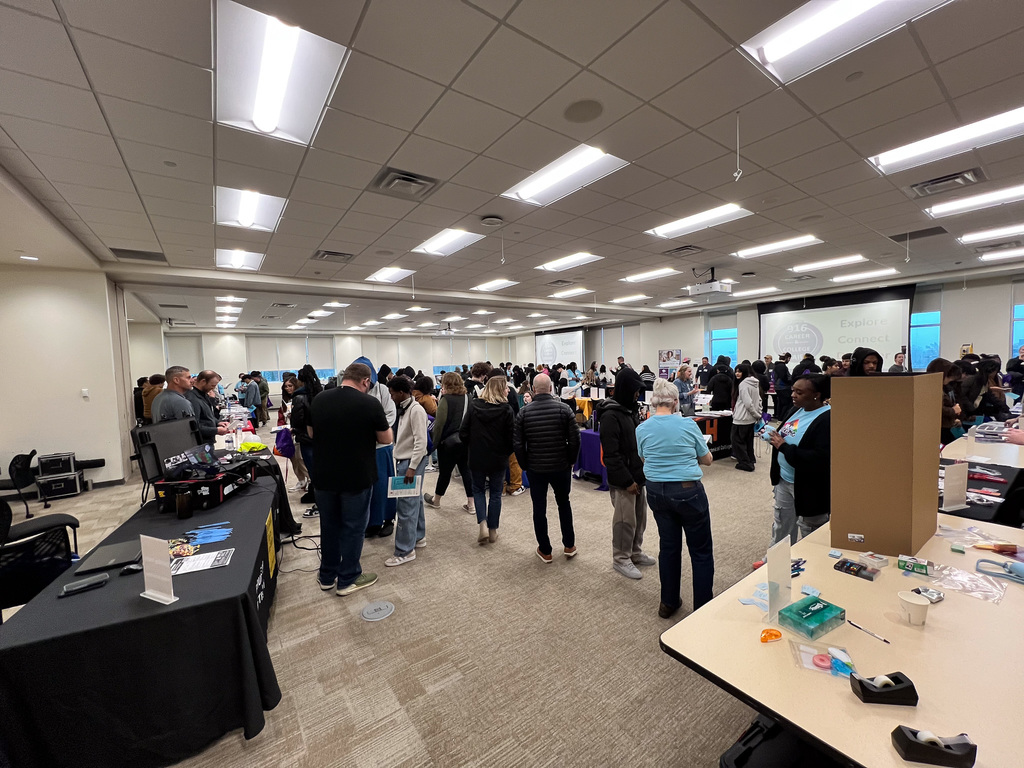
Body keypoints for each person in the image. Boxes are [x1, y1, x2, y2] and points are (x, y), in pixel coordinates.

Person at [310, 362, 392, 596]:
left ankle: (327, 575)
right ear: (366, 381)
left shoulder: (319, 399)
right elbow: (386, 439)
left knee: (329, 525)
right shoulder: (369, 403)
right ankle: (348, 578)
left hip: (324, 475)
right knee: (354, 527)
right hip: (357, 475)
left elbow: (311, 433)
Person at [637, 378, 714, 619]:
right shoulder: (688, 425)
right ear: (675, 401)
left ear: (652, 402)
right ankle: (702, 608)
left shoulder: (642, 428)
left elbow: (643, 459)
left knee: (668, 547)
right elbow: (707, 460)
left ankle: (668, 602)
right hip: (688, 491)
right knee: (700, 551)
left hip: (657, 492)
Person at [514, 373, 581, 564]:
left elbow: (518, 444)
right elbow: (575, 439)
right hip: (561, 466)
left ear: (533, 390)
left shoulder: (524, 413)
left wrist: (524, 465)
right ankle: (569, 545)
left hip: (535, 468)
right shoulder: (564, 409)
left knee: (539, 507)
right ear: (551, 388)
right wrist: (571, 460)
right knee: (564, 503)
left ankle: (545, 550)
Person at [597, 368, 655, 580]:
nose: (637, 395)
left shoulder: (630, 411)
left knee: (640, 518)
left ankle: (635, 552)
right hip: (623, 481)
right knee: (625, 521)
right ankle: (621, 558)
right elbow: (611, 456)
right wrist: (627, 480)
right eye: (634, 391)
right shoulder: (611, 416)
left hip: (638, 476)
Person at [768, 375, 832, 545]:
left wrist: (783, 447)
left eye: (799, 392)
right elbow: (787, 435)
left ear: (816, 395)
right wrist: (773, 436)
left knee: (811, 531)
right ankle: (774, 561)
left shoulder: (827, 418)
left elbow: (819, 459)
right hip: (784, 480)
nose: (793, 395)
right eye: (793, 390)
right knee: (781, 524)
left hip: (809, 486)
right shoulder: (797, 409)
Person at [460, 374, 514, 545]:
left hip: (477, 456)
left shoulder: (474, 406)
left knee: (478, 490)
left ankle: (482, 523)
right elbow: (512, 439)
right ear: (499, 389)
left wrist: (472, 445)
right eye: (506, 387)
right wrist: (505, 452)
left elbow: (463, 432)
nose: (508, 390)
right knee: (496, 493)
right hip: (498, 458)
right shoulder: (507, 410)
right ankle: (492, 530)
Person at [385, 376, 429, 567]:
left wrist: (411, 468)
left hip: (411, 462)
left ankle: (404, 550)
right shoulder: (404, 408)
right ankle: (418, 537)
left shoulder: (416, 410)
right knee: (415, 500)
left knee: (405, 506)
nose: (391, 396)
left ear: (401, 392)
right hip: (405, 459)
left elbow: (421, 441)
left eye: (392, 393)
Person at [355, 357, 398, 537]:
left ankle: (388, 519)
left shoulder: (382, 390)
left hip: (381, 447)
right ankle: (371, 522)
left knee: (383, 485)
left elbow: (390, 414)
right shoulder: (352, 391)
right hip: (361, 448)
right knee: (365, 487)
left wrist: (374, 432)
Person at [424, 372, 474, 513]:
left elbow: (439, 425)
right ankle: (471, 504)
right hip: (465, 442)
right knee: (467, 472)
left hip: (448, 444)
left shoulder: (446, 400)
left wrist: (434, 444)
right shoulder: (468, 398)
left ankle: (437, 500)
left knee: (445, 473)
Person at [280, 377, 310, 491]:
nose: (288, 388)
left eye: (290, 386)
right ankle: (301, 480)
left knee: (300, 458)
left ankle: (309, 480)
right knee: (293, 458)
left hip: (299, 433)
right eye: (286, 386)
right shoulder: (286, 400)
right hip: (288, 433)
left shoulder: (301, 398)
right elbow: (281, 417)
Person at [184, 370, 231, 440]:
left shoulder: (204, 395)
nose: (214, 388)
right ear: (203, 382)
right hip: (201, 441)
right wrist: (216, 430)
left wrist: (218, 422)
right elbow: (194, 426)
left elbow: (207, 416)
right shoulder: (192, 399)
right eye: (212, 385)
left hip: (209, 439)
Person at [926, 358, 963, 445]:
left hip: (946, 425)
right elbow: (937, 408)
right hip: (939, 427)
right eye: (949, 377)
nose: (950, 380)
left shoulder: (942, 387)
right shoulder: (932, 388)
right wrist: (953, 410)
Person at [731, 364, 760, 472]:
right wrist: (757, 414)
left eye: (739, 371)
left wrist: (756, 414)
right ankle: (750, 459)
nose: (737, 373)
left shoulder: (743, 384)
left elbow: (748, 403)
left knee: (737, 442)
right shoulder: (755, 383)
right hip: (750, 419)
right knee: (748, 441)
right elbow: (759, 400)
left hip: (741, 418)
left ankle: (745, 463)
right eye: (736, 371)